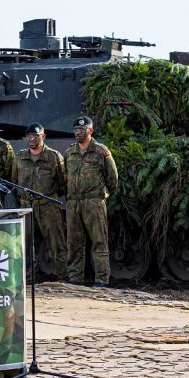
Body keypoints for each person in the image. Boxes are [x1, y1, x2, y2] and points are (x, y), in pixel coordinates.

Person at [64, 116, 118, 288]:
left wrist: (101, 195)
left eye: (82, 130)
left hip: (94, 201)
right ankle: (75, 278)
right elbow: (65, 175)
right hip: (74, 203)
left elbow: (113, 179)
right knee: (74, 242)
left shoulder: (101, 151)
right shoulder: (70, 152)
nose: (78, 133)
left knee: (99, 241)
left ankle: (101, 279)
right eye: (76, 130)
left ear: (90, 131)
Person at [16, 123, 68, 279]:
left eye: (35, 136)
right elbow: (14, 179)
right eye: (29, 136)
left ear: (43, 137)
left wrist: (50, 197)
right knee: (26, 244)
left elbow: (62, 182)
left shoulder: (53, 156)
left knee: (57, 243)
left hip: (48, 206)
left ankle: (63, 277)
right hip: (26, 206)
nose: (31, 139)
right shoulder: (20, 157)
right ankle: (29, 276)